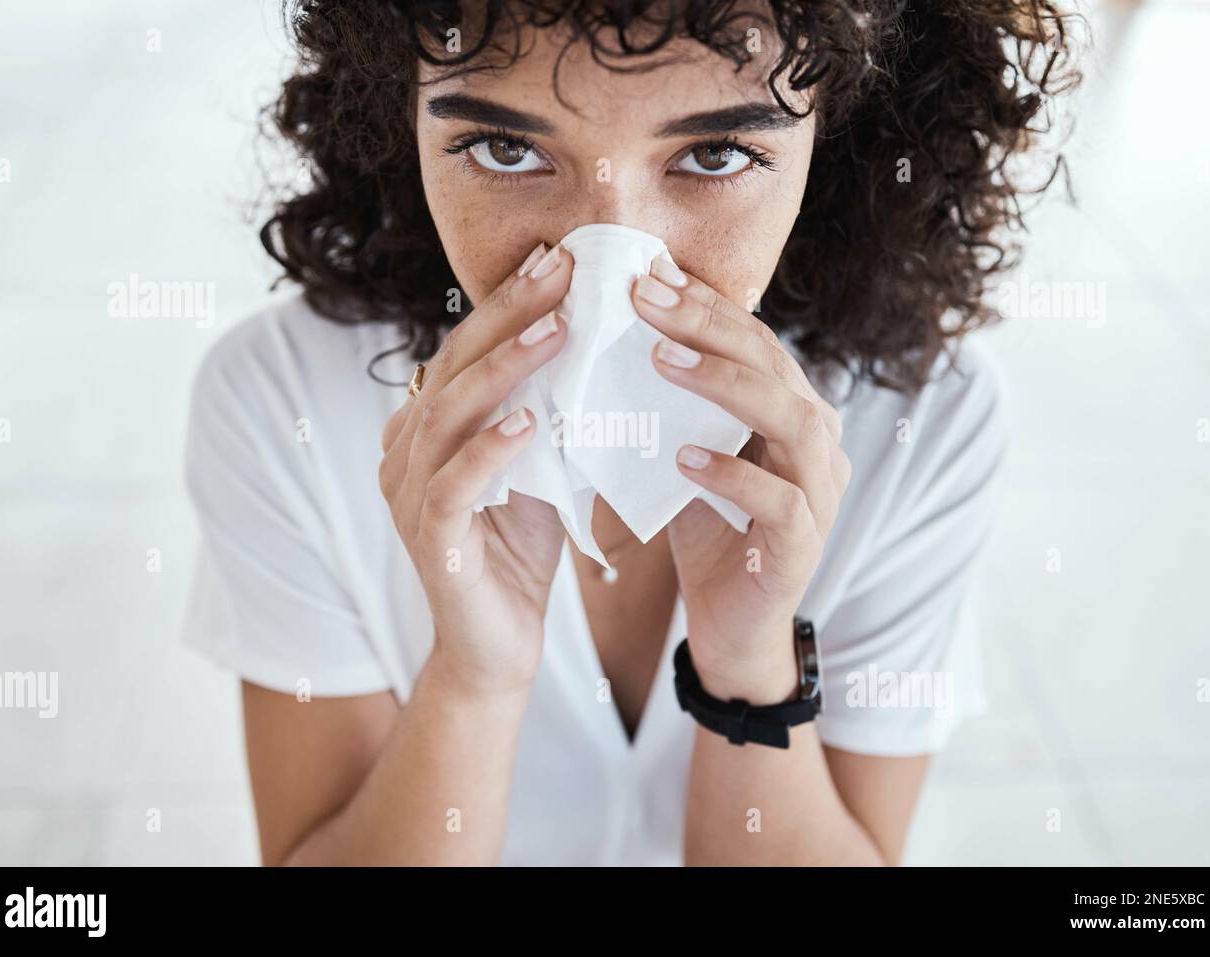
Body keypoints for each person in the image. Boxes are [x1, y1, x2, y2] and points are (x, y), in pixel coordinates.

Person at [183, 0, 1079, 865]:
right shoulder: (282, 404)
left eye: (717, 153)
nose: (607, 271)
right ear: (400, 114)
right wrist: (471, 681)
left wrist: (750, 664)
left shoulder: (924, 418)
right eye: (505, 148)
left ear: (835, 131)